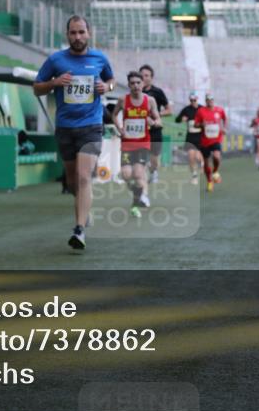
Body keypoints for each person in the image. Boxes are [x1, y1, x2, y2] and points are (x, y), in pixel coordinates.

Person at [34, 15, 115, 250]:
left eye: (81, 32)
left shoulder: (99, 58)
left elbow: (111, 79)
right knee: (72, 182)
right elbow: (37, 88)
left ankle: (79, 230)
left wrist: (106, 87)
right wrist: (54, 83)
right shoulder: (56, 60)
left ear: (88, 33)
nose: (77, 37)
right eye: (73, 33)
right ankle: (84, 210)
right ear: (67, 35)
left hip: (91, 126)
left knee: (82, 176)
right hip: (65, 127)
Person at [113, 71, 161, 218]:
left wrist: (153, 122)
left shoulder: (150, 101)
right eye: (132, 83)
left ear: (143, 84)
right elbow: (114, 114)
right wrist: (119, 127)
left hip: (143, 144)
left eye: (138, 83)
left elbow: (159, 121)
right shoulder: (122, 100)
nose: (135, 86)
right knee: (127, 175)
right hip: (127, 144)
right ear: (128, 85)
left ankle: (139, 199)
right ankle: (137, 197)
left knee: (138, 173)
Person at [139, 65, 171, 184]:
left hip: (154, 128)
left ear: (151, 78)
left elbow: (169, 110)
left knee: (154, 157)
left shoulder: (157, 92)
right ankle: (140, 174)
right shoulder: (135, 91)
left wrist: (156, 115)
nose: (144, 78)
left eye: (146, 75)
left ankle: (154, 171)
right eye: (142, 75)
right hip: (139, 129)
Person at [194, 92, 227, 192]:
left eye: (212, 100)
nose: (210, 102)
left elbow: (225, 119)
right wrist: (201, 125)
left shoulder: (219, 110)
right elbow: (195, 125)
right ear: (206, 101)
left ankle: (215, 172)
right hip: (205, 140)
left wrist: (224, 128)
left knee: (217, 157)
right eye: (208, 100)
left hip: (216, 139)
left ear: (214, 100)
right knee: (206, 163)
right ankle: (209, 181)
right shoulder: (201, 111)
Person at [175, 92, 203, 185]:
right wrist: (181, 119)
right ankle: (194, 175)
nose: (193, 102)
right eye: (191, 100)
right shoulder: (186, 109)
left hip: (200, 136)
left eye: (194, 100)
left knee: (198, 157)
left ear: (197, 99)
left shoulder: (202, 109)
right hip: (190, 136)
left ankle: (202, 165)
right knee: (191, 156)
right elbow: (177, 119)